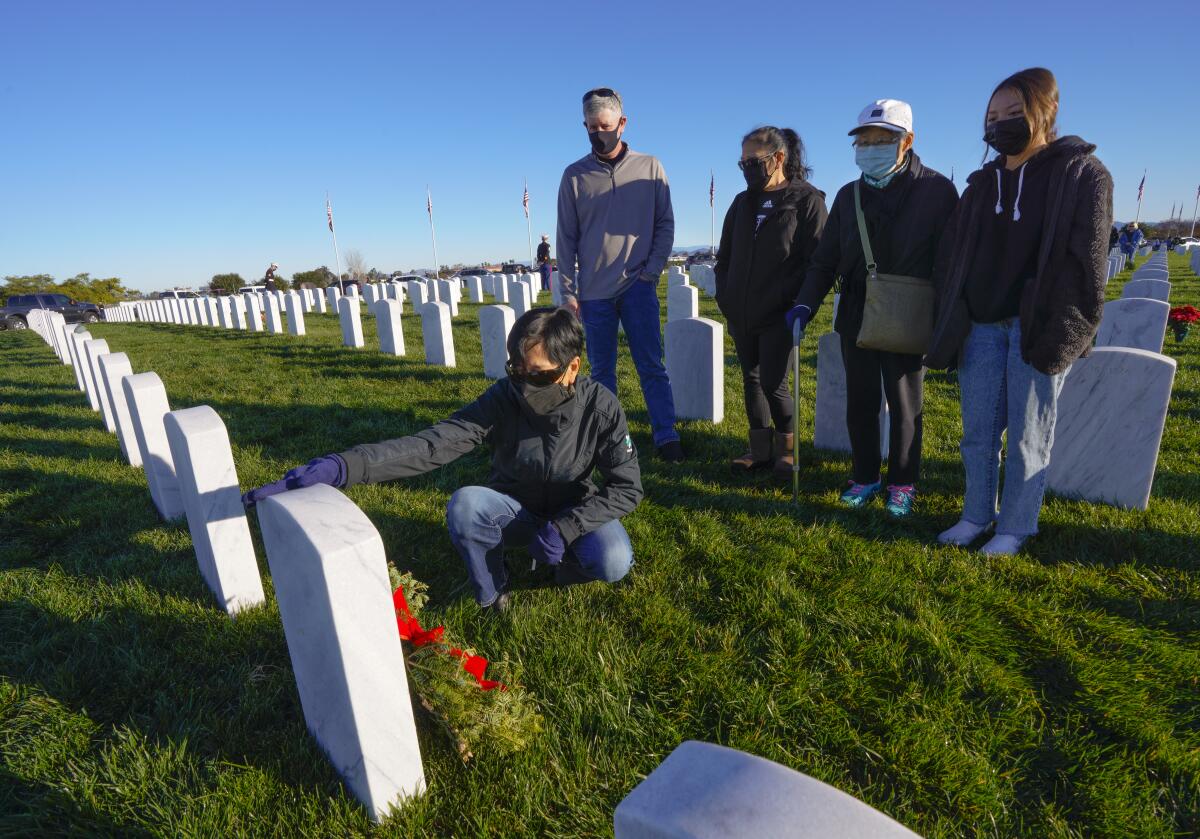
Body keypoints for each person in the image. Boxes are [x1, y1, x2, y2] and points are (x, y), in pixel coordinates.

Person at [242, 308, 642, 611]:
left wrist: (568, 526)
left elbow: (627, 488)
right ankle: (493, 587)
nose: (523, 386)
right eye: (515, 371)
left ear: (573, 368)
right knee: (467, 504)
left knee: (613, 559)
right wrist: (345, 466)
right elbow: (432, 445)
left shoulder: (601, 408)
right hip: (513, 506)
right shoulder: (505, 398)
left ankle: (564, 566)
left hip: (572, 506)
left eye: (537, 376)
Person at [926, 67, 1113, 555]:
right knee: (978, 435)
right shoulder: (981, 184)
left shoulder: (1082, 174)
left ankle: (1015, 526)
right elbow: (954, 254)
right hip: (982, 324)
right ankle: (974, 516)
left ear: (1044, 114)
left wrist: (1065, 335)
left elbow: (1088, 263)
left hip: (1039, 327)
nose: (999, 125)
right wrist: (955, 309)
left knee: (1031, 435)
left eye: (1014, 113)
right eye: (992, 117)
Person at [787, 100, 958, 517]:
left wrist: (948, 321)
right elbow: (825, 259)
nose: (871, 148)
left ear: (907, 141)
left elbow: (950, 260)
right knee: (860, 400)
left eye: (883, 140)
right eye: (864, 141)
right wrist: (805, 303)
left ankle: (903, 481)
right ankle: (864, 476)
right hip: (857, 312)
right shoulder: (850, 195)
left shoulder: (936, 191)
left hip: (908, 311)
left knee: (905, 403)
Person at [556, 87, 683, 462]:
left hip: (637, 287)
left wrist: (651, 272)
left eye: (605, 125)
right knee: (602, 373)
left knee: (651, 366)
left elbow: (665, 224)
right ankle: (610, 440)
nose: (599, 133)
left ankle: (666, 434)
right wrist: (568, 291)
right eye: (591, 127)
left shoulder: (650, 167)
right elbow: (566, 236)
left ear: (622, 124)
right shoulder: (574, 176)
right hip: (593, 293)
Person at [715, 126, 827, 475]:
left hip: (781, 311)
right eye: (743, 162)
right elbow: (726, 256)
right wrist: (725, 295)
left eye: (753, 160)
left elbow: (818, 261)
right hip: (741, 309)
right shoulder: (741, 202)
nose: (747, 167)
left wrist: (802, 305)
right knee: (751, 379)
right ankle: (759, 449)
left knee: (774, 383)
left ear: (778, 158)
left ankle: (787, 448)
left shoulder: (806, 200)